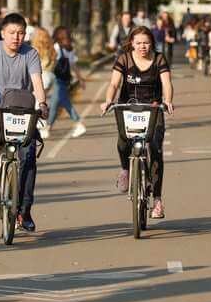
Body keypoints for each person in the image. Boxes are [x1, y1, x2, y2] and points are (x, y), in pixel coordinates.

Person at [0, 13, 48, 231]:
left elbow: (36, 81)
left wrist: (42, 103)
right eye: (12, 33)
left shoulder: (30, 53)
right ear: (3, 33)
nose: (16, 37)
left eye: (20, 33)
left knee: (29, 156)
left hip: (21, 107)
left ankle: (25, 210)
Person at [101, 26, 174, 219]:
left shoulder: (159, 59)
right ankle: (125, 169)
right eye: (139, 43)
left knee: (156, 149)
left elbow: (167, 83)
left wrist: (167, 101)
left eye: (146, 43)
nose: (143, 46)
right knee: (122, 142)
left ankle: (157, 200)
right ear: (132, 43)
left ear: (152, 43)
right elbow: (114, 83)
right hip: (128, 108)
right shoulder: (124, 59)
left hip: (153, 108)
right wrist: (108, 100)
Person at [50, 27, 87, 138]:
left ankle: (79, 123)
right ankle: (47, 127)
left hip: (59, 80)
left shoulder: (59, 48)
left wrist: (80, 79)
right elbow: (73, 66)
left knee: (64, 102)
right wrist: (80, 79)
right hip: (63, 80)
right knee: (54, 104)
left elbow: (53, 64)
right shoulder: (66, 48)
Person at [32, 27, 57, 138]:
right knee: (44, 101)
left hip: (42, 77)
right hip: (50, 76)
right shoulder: (51, 48)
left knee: (38, 103)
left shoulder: (35, 50)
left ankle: (41, 127)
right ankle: (43, 126)